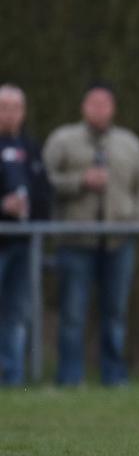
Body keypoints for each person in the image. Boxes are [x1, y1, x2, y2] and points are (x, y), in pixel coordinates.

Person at [43, 83, 139, 386]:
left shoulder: (130, 143)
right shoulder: (62, 140)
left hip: (119, 243)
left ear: (113, 108)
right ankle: (69, 377)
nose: (99, 109)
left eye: (105, 104)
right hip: (75, 242)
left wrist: (137, 221)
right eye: (93, 103)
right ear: (83, 107)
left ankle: (114, 377)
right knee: (73, 315)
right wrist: (80, 181)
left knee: (116, 314)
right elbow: (44, 181)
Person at [0, 84, 52, 386]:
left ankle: (12, 378)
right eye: (3, 106)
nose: (9, 113)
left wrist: (32, 211)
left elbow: (44, 192)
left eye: (14, 107)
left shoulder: (31, 148)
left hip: (24, 245)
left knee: (17, 314)